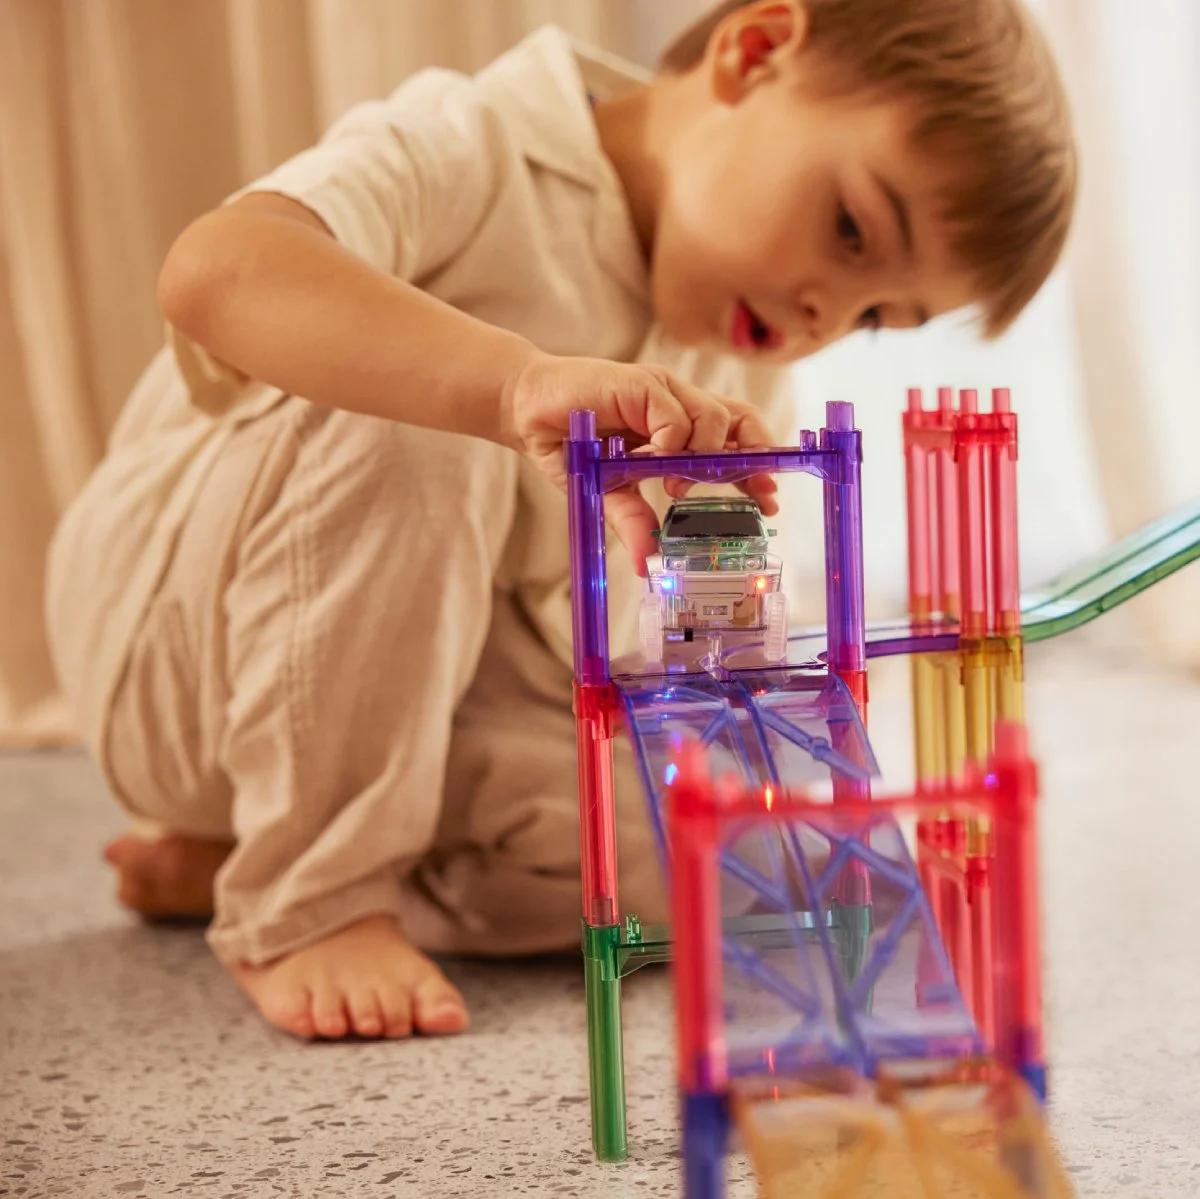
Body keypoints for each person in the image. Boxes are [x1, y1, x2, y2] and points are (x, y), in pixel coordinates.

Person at [45, 0, 1075, 1042]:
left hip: (435, 699)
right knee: (419, 426)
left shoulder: (741, 348)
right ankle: (308, 899)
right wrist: (510, 385)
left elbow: (640, 657)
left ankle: (262, 848)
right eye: (852, 229)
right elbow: (216, 270)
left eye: (874, 318)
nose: (827, 317)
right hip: (181, 651)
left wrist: (715, 593)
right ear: (755, 54)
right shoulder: (477, 141)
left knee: (719, 857)